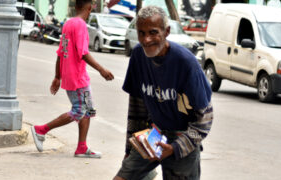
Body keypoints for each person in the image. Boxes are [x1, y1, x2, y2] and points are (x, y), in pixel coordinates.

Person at [113, 6, 213, 180]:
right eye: (141, 33)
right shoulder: (138, 56)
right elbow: (136, 110)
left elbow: (205, 118)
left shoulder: (186, 64)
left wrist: (176, 148)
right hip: (154, 133)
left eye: (153, 32)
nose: (146, 39)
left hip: (183, 136)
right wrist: (130, 150)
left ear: (166, 31)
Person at [31, 0, 114, 158]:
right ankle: (40, 130)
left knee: (88, 110)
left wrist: (57, 76)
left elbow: (61, 52)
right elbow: (83, 53)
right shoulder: (81, 25)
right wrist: (102, 69)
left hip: (75, 76)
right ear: (89, 8)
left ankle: (82, 148)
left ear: (76, 6)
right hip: (77, 78)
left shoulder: (68, 24)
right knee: (78, 111)